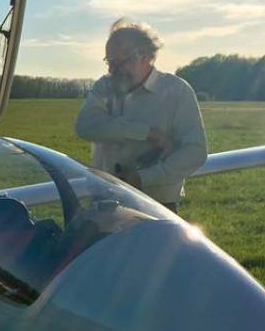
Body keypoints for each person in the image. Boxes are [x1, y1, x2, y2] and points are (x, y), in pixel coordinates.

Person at [74, 18, 207, 213]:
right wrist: (145, 133)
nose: (111, 70)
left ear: (145, 56)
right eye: (109, 62)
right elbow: (85, 126)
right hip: (105, 202)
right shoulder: (104, 86)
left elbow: (195, 152)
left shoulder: (177, 91)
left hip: (158, 207)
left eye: (118, 62)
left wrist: (142, 178)